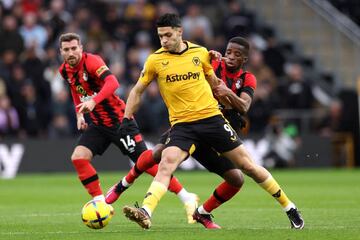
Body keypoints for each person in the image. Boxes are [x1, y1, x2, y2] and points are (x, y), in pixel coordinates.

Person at [120, 13, 304, 230]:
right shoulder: (154, 60)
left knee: (247, 167)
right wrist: (126, 118)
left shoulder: (200, 54)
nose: (164, 40)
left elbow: (215, 83)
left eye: (168, 35)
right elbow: (137, 91)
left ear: (180, 32)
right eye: (160, 36)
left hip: (211, 119)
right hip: (182, 125)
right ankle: (145, 210)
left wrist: (230, 104)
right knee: (165, 161)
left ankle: (289, 207)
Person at [57, 32, 199, 222]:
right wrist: (79, 113)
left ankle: (187, 196)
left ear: (81, 48)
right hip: (98, 124)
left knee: (147, 164)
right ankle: (100, 202)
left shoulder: (92, 62)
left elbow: (113, 82)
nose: (71, 52)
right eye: (66, 50)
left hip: (120, 121)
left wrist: (94, 101)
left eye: (74, 48)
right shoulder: (64, 70)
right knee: (79, 158)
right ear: (61, 52)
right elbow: (76, 90)